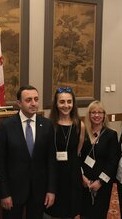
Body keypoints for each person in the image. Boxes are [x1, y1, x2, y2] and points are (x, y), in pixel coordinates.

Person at [0, 85, 56, 219]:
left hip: (39, 191)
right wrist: (4, 193)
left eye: (36, 99)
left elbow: (51, 160)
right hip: (13, 191)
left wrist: (51, 190)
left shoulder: (47, 125)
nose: (33, 103)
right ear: (19, 103)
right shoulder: (7, 126)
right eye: (28, 100)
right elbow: (1, 161)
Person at [44, 86, 84, 219]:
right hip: (55, 175)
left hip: (72, 176)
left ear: (73, 103)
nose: (66, 105)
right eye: (62, 102)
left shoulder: (79, 125)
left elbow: (77, 151)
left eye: (69, 102)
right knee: (54, 212)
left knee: (70, 212)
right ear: (56, 104)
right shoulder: (49, 125)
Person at [80, 100, 119, 219]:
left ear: (104, 115)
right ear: (89, 114)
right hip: (84, 182)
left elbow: (113, 162)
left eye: (99, 112)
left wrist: (100, 181)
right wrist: (82, 177)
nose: (96, 115)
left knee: (99, 213)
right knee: (84, 212)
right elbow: (78, 157)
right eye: (93, 112)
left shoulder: (111, 135)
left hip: (102, 184)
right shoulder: (83, 133)